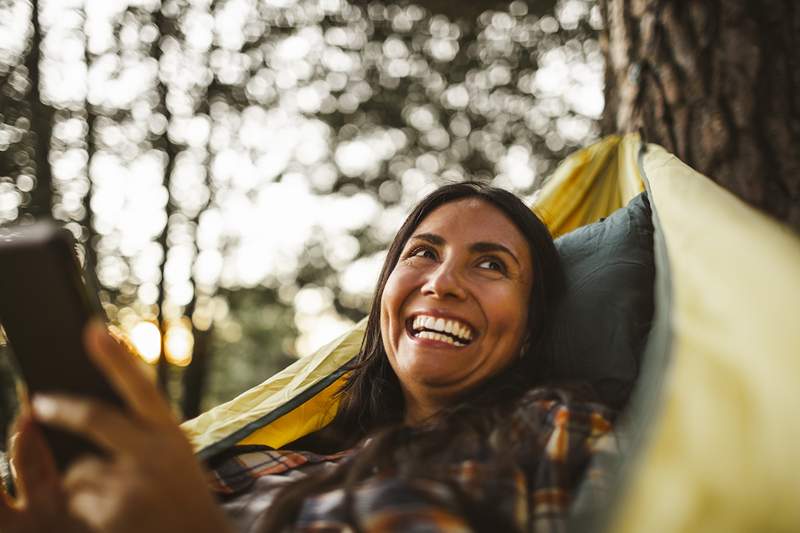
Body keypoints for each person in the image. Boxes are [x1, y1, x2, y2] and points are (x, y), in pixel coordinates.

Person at [0, 182, 615, 533]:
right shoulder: (273, 457)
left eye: (490, 264)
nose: (442, 282)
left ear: (532, 331)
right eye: (422, 253)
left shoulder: (547, 423)